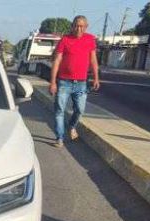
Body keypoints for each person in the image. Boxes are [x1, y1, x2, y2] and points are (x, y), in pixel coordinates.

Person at [49, 15, 100, 148]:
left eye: (82, 26)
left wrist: (96, 77)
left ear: (86, 27)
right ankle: (59, 138)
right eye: (76, 25)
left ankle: (71, 126)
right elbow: (57, 60)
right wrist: (53, 82)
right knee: (59, 110)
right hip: (64, 82)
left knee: (80, 110)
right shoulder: (65, 40)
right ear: (72, 26)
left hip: (81, 83)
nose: (79, 29)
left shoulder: (90, 39)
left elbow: (93, 59)